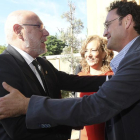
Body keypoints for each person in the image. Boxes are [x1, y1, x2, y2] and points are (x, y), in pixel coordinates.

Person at [0, 1, 140, 140]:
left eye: (108, 24)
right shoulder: (3, 64)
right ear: (19, 31)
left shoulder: (43, 64)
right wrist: (67, 124)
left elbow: (84, 91)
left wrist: (27, 105)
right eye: (39, 27)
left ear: (127, 21)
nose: (47, 33)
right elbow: (17, 129)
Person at [78, 35, 113, 140]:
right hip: (85, 135)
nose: (89, 55)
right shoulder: (79, 77)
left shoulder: (112, 78)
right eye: (86, 51)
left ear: (104, 53)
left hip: (106, 134)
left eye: (93, 50)